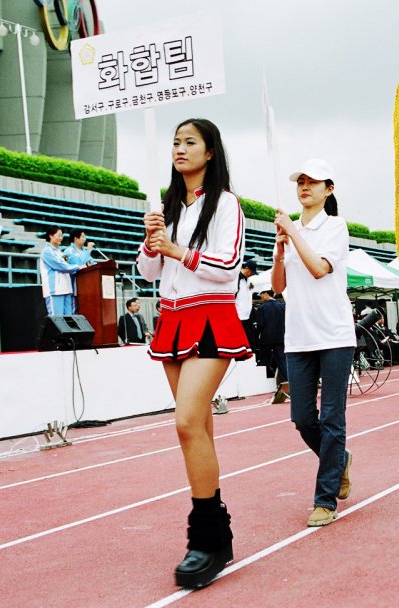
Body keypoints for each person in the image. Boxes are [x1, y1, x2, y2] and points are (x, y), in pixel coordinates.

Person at [137, 118, 250, 589]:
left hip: (211, 318)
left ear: (209, 152)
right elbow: (146, 271)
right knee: (198, 428)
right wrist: (151, 240)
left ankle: (204, 535)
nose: (179, 149)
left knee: (186, 422)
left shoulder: (226, 204)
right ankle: (216, 534)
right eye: (175, 142)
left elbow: (228, 265)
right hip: (172, 318)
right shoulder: (166, 206)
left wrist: (177, 249)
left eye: (190, 142)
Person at [271, 158, 356, 528]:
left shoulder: (335, 227)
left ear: (328, 189)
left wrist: (293, 232)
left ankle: (325, 500)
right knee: (302, 417)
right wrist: (279, 250)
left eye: (313, 182)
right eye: (301, 182)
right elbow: (278, 287)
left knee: (332, 418)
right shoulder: (290, 233)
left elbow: (319, 269)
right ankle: (339, 459)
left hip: (334, 334)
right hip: (299, 336)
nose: (305, 187)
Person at [39, 225, 83, 316]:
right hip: (55, 290)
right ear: (51, 236)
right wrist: (78, 267)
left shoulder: (61, 252)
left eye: (62, 236)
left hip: (66, 289)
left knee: (68, 320)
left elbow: (68, 265)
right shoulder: (47, 251)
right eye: (58, 235)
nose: (61, 238)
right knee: (57, 321)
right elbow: (62, 266)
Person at [254, 289, 288, 403]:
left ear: (265, 294)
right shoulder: (282, 306)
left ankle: (262, 383)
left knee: (264, 360)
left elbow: (260, 324)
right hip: (280, 337)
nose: (260, 297)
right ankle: (285, 383)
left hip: (266, 338)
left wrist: (256, 336)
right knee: (281, 360)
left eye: (261, 295)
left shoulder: (262, 308)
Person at [63, 228, 95, 313]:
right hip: (74, 285)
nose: (85, 239)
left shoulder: (84, 250)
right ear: (76, 238)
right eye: (83, 237)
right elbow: (77, 264)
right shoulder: (69, 251)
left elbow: (92, 263)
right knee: (74, 310)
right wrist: (88, 251)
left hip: (87, 285)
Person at [235, 259, 257, 347]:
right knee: (239, 343)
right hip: (238, 316)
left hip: (247, 316)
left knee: (248, 343)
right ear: (247, 268)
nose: (252, 274)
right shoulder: (237, 279)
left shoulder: (248, 280)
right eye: (252, 272)